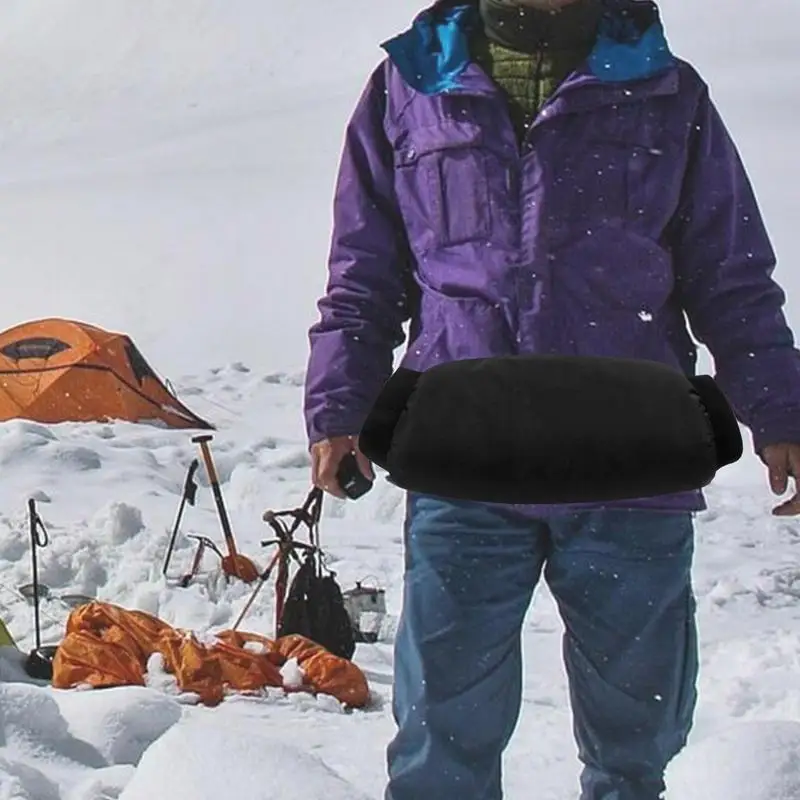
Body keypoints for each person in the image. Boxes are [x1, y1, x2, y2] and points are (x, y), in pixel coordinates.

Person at [303, 0, 800, 797]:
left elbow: (730, 276)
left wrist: (782, 413)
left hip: (629, 456)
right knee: (440, 740)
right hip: (465, 454)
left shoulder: (669, 90)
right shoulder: (408, 85)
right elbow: (362, 277)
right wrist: (337, 409)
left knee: (639, 745)